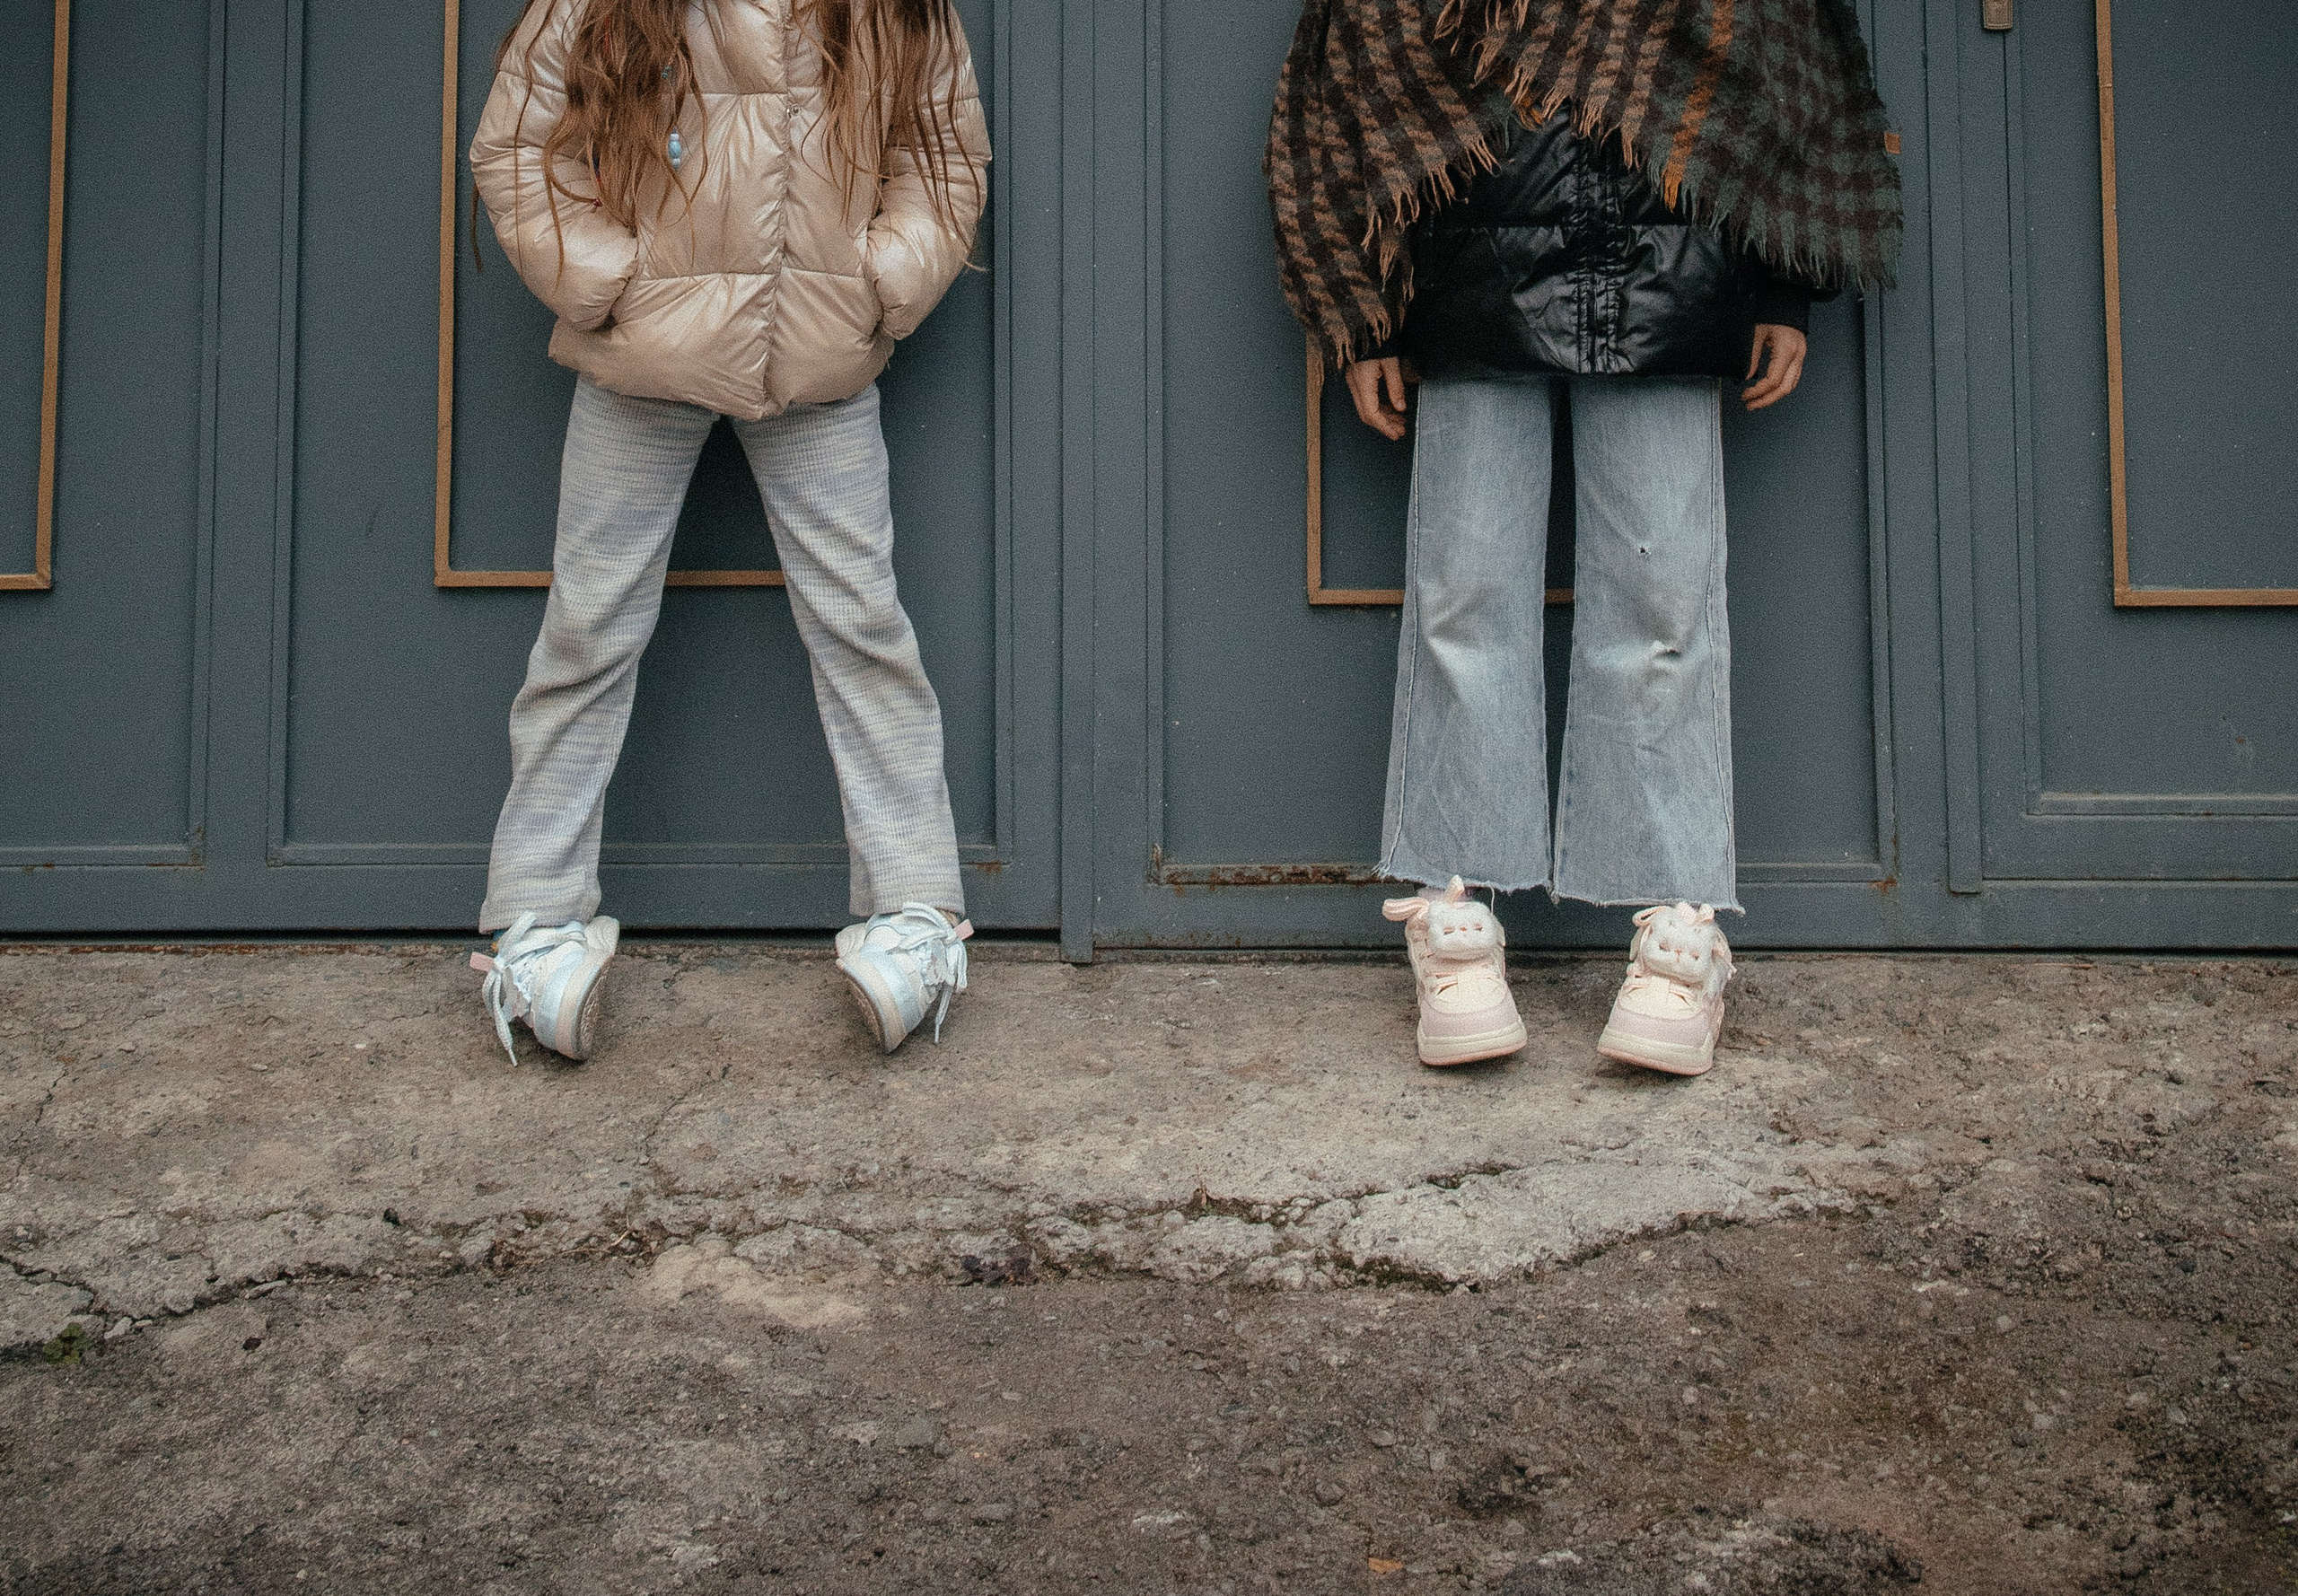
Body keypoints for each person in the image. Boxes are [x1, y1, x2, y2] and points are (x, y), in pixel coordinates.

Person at [1267, 0, 1900, 1075]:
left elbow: (1785, 61)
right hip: (1469, 265)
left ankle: (1678, 927)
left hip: (1670, 259)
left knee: (1664, 607)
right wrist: (1368, 311)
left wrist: (1784, 279)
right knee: (1464, 599)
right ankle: (1452, 911)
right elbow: (1342, 88)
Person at [466, 0, 989, 1062]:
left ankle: (918, 912)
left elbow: (943, 154)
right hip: (641, 366)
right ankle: (533, 923)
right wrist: (608, 285)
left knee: (863, 628)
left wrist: (876, 286)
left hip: (817, 367)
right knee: (588, 629)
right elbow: (517, 146)